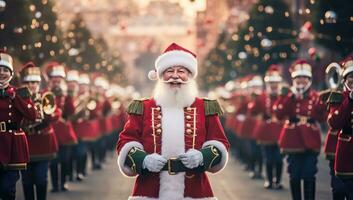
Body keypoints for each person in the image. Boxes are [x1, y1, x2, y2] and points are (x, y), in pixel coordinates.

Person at [116, 43, 230, 200]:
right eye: (169, 71)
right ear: (161, 76)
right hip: (150, 188)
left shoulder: (205, 107)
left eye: (181, 71)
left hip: (194, 189)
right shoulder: (143, 107)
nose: (175, 76)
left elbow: (220, 142)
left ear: (189, 76)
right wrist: (144, 160)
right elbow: (125, 141)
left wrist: (203, 156)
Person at [274, 60, 326, 200]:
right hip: (293, 141)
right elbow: (279, 115)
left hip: (311, 140)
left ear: (309, 79)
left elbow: (322, 118)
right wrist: (286, 97)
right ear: (293, 80)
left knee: (309, 175)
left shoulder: (316, 97)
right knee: (294, 175)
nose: (301, 81)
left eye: (304, 78)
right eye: (298, 78)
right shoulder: (289, 97)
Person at [20, 62, 60, 200]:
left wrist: (48, 115)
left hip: (43, 144)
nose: (32, 85)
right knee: (27, 181)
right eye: (29, 82)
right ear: (24, 83)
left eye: (35, 82)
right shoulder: (19, 98)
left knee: (41, 179)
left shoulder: (45, 95)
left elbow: (57, 112)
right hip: (25, 144)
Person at [0, 51, 37, 200]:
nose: (2, 73)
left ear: (10, 73)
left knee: (8, 189)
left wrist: (14, 97)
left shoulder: (19, 92)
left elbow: (32, 115)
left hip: (12, 144)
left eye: (5, 70)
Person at [251, 65, 284, 189]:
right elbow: (254, 111)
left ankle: (278, 181)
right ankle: (269, 180)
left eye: (276, 82)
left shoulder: (283, 95)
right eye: (271, 82)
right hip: (266, 132)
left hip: (280, 131)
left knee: (279, 159)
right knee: (269, 159)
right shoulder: (263, 96)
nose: (274, 85)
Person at [327, 57, 353, 199]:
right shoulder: (338, 97)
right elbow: (335, 123)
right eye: (351, 79)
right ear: (344, 81)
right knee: (342, 191)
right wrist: (350, 100)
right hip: (347, 151)